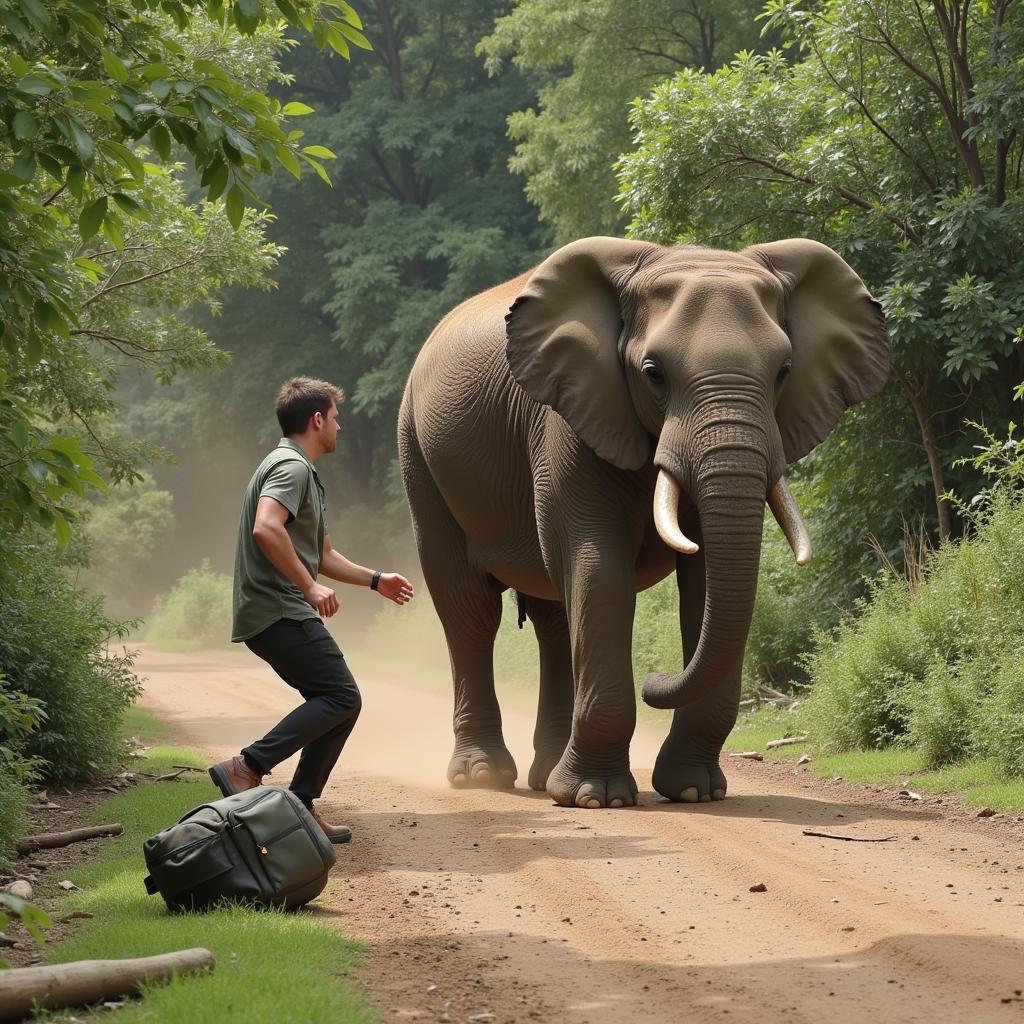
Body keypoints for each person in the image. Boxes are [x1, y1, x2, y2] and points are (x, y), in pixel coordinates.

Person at [209, 376, 414, 843]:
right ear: (317, 419)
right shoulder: (291, 467)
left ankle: (299, 805)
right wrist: (309, 587)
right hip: (278, 606)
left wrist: (376, 580)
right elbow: (266, 527)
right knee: (342, 697)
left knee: (340, 701)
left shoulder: (298, 470)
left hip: (277, 607)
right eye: (336, 418)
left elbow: (320, 554)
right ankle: (248, 767)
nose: (340, 427)